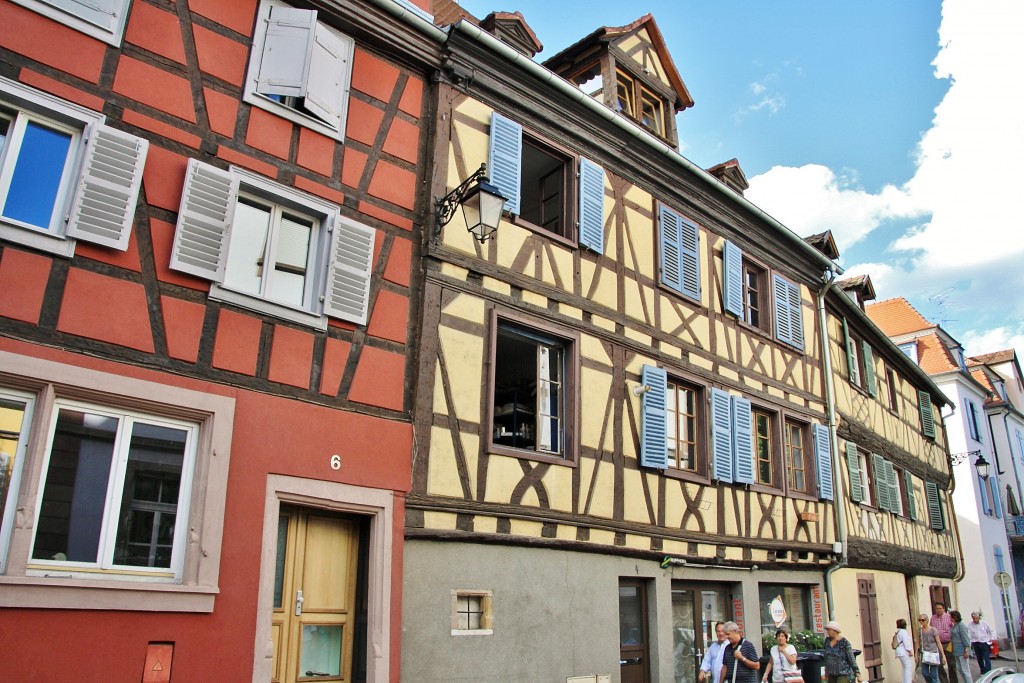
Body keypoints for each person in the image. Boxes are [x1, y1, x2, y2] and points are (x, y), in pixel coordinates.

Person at [930, 602, 956, 683]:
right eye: (937, 608)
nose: (938, 610)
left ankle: (954, 681)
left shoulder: (949, 617)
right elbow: (931, 629)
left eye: (940, 608)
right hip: (938, 644)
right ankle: (944, 681)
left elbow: (954, 628)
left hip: (948, 643)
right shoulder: (933, 618)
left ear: (943, 609)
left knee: (951, 664)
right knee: (939, 665)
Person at [919, 613, 947, 683]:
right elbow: (917, 642)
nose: (921, 622)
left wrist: (943, 655)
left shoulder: (933, 630)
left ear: (927, 620)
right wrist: (916, 653)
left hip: (933, 653)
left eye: (922, 620)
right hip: (924, 653)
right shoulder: (920, 631)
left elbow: (938, 642)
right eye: (919, 620)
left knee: (934, 674)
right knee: (924, 673)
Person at [949, 611, 972, 683]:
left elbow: (966, 639)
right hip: (956, 650)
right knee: (959, 668)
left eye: (951, 616)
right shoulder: (955, 625)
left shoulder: (961, 625)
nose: (950, 618)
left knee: (965, 669)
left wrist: (967, 650)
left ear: (954, 617)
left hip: (962, 650)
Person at [892, 618, 915, 683]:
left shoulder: (898, 632)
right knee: (908, 668)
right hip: (904, 652)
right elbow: (906, 642)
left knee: (904, 668)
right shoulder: (903, 632)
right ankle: (908, 681)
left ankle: (904, 681)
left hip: (899, 652)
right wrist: (909, 651)